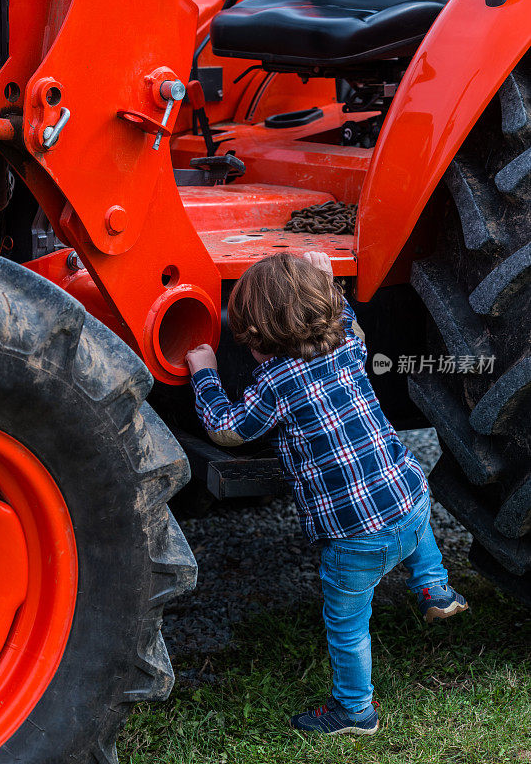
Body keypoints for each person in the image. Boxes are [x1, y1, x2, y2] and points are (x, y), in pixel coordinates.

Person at [186, 251, 468, 737]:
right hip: (410, 501)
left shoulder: (275, 383)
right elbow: (348, 323)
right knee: (406, 499)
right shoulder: (348, 347)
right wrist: (328, 280)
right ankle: (433, 586)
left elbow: (226, 429)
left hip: (355, 542)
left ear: (256, 340)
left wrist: (204, 371)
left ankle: (355, 711)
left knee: (347, 625)